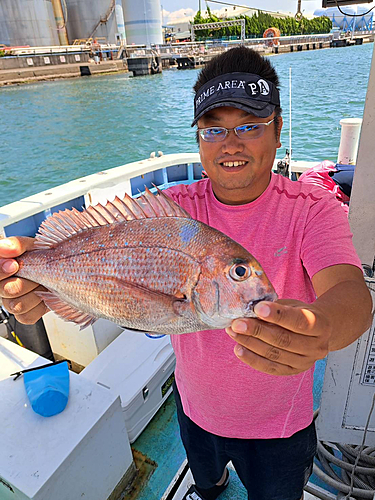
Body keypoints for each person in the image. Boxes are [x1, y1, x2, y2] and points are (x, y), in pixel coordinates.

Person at [0, 47, 372, 500]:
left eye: (249, 126)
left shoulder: (313, 210)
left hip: (281, 425)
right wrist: (31, 274)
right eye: (213, 130)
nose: (230, 144)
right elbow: (107, 283)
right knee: (207, 482)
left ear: (278, 131)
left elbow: (351, 292)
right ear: (199, 139)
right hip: (195, 410)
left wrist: (324, 327)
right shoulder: (174, 208)